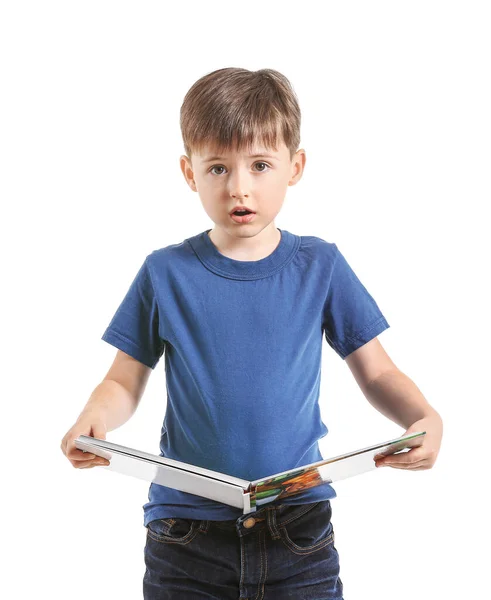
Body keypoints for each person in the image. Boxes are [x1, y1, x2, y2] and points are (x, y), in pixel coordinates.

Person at [61, 67, 443, 599]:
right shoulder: (164, 272)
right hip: (185, 534)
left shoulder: (322, 265)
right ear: (188, 172)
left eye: (260, 165)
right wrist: (94, 419)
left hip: (298, 528)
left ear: (295, 166)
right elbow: (124, 380)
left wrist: (422, 416)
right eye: (218, 167)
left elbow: (376, 369)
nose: (239, 187)